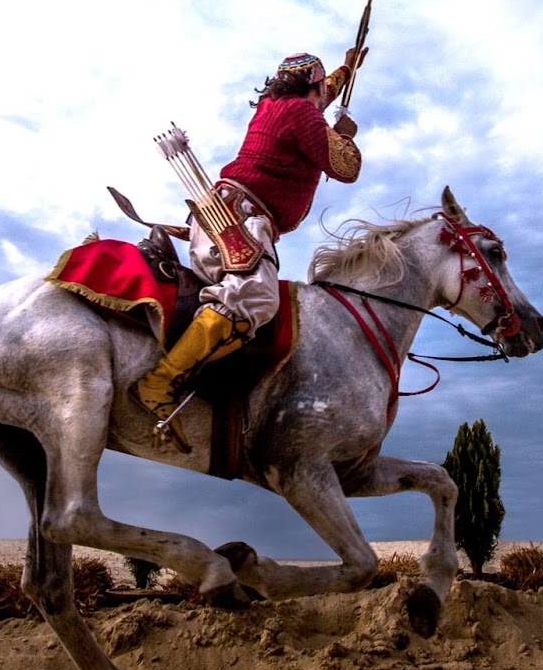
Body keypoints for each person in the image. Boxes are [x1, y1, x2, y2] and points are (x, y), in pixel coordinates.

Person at [129, 48, 367, 448]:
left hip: (224, 215)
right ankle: (159, 382)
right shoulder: (303, 115)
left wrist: (348, 67)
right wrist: (344, 133)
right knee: (255, 298)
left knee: (249, 298)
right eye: (320, 89)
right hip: (241, 219)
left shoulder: (278, 105)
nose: (324, 95)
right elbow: (347, 168)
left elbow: (324, 91)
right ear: (310, 87)